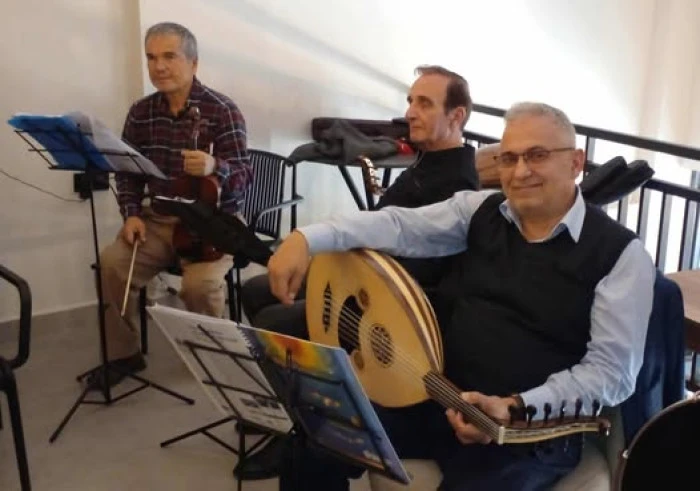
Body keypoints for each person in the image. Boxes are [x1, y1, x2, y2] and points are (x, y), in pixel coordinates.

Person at [265, 102, 656, 490]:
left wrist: (515, 406)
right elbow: (399, 226)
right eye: (509, 158)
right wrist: (307, 238)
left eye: (537, 155)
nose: (520, 171)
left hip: (528, 433)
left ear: (575, 162)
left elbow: (611, 374)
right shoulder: (481, 211)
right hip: (437, 397)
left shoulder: (620, 254)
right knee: (319, 430)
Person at [234, 65, 481, 480]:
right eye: (411, 101)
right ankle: (291, 402)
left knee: (276, 321)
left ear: (457, 117)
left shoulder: (457, 183)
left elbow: (411, 267)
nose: (411, 112)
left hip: (384, 305)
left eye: (425, 103)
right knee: (256, 291)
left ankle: (303, 424)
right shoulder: (426, 161)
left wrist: (334, 261)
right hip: (363, 274)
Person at [90, 22, 253, 390]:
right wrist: (131, 214)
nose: (158, 66)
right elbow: (127, 172)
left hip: (213, 222)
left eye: (169, 56)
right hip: (159, 218)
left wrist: (215, 167)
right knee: (112, 264)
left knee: (200, 286)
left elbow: (245, 175)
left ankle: (214, 358)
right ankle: (124, 354)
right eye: (151, 58)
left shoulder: (223, 110)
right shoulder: (141, 112)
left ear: (193, 63)